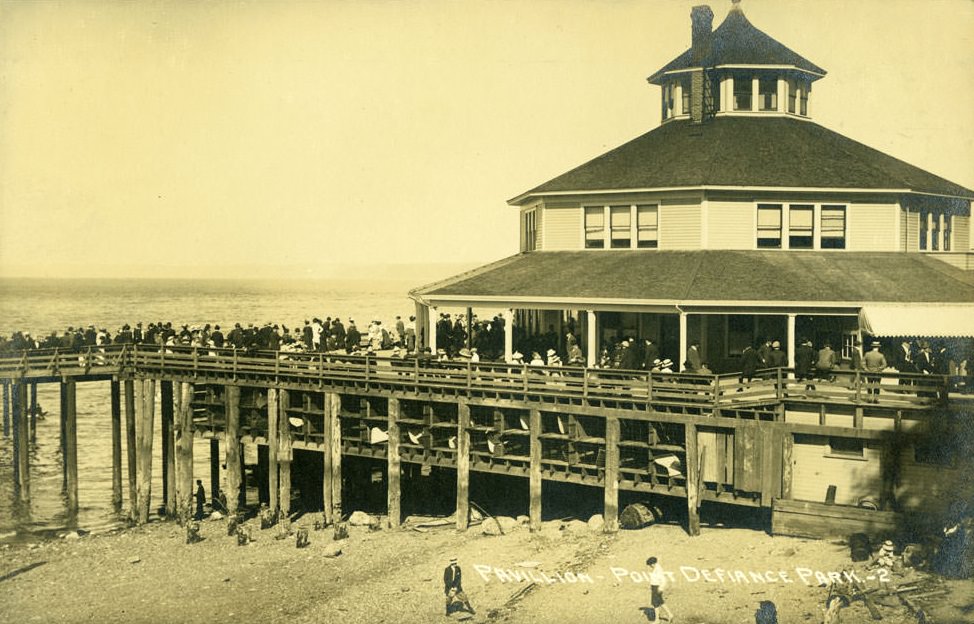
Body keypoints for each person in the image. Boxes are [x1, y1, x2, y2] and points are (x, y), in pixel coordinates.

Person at [646, 556, 673, 622]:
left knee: (655, 604)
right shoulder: (657, 568)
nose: (650, 566)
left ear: (653, 563)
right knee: (660, 602)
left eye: (650, 565)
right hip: (655, 587)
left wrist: (660, 588)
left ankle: (657, 620)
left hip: (656, 587)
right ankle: (670, 614)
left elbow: (664, 580)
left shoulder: (658, 569)